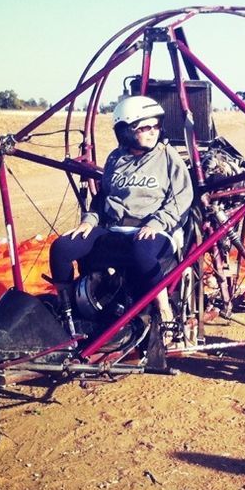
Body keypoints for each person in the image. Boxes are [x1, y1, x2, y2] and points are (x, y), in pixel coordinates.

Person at [49, 95, 194, 334]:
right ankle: (67, 310)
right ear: (126, 131)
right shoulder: (116, 158)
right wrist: (90, 220)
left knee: (141, 251)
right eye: (145, 127)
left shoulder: (168, 157)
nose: (153, 132)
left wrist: (158, 223)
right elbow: (103, 196)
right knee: (62, 248)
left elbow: (181, 198)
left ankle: (164, 310)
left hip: (153, 229)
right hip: (113, 229)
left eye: (156, 126)